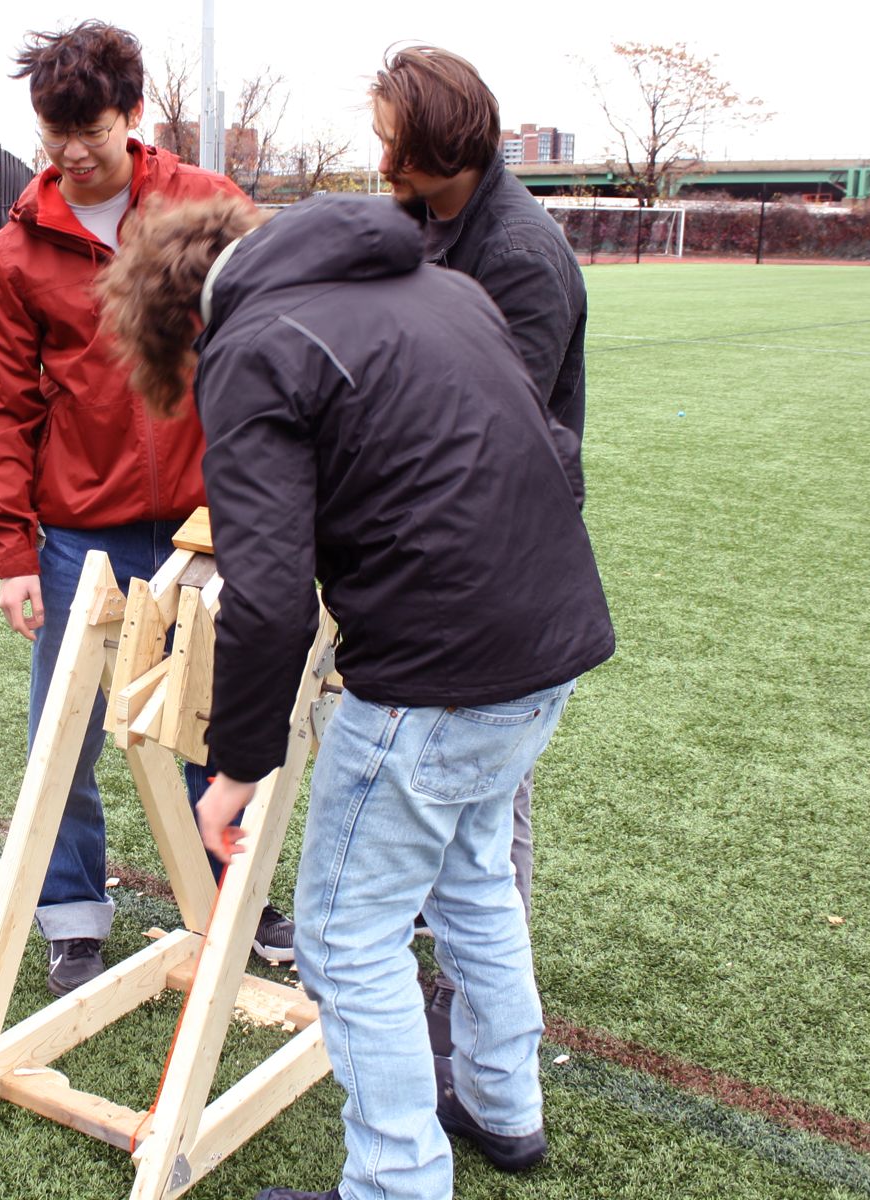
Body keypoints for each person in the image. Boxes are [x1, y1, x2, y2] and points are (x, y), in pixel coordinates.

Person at [97, 192, 614, 1200]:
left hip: (437, 680)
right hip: (547, 649)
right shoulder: (445, 289)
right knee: (472, 880)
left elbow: (272, 596)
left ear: (177, 320)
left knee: (343, 936)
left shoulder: (250, 346)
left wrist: (236, 767)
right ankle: (504, 1107)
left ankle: (395, 1183)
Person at [0, 19, 292, 997]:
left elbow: (279, 339)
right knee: (62, 732)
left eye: (91, 134)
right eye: (52, 136)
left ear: (134, 116)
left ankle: (230, 890)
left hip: (208, 521)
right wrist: (13, 552)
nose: (71, 156)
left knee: (212, 714)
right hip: (78, 532)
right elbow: (0, 411)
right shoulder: (14, 256)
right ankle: (72, 912)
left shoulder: (207, 206)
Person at [369, 45, 593, 1053]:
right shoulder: (419, 221)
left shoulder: (523, 257)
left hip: (499, 565)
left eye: (389, 142)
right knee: (437, 785)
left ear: (435, 146)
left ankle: (484, 1011)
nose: (377, 161)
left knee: (488, 803)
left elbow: (489, 426)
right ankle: (454, 973)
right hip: (432, 549)